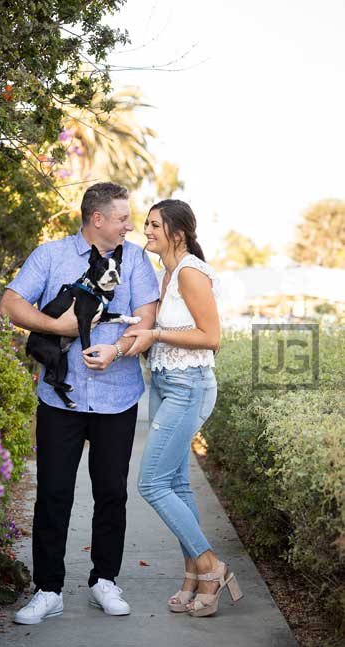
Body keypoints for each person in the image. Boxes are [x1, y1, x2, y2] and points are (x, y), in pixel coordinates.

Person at [0, 182, 159, 624]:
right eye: (123, 218)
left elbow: (147, 316)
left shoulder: (137, 261)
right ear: (97, 219)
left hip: (118, 397)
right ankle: (48, 589)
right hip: (59, 399)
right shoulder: (50, 256)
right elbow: (10, 303)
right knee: (52, 495)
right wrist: (58, 326)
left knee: (111, 493)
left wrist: (118, 349)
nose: (130, 225)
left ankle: (104, 581)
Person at [121, 199, 241, 617]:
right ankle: (192, 577)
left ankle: (211, 567)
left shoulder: (190, 272)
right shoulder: (166, 273)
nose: (146, 231)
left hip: (189, 385)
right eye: (147, 224)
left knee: (152, 483)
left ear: (178, 231)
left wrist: (156, 334)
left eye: (154, 225)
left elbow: (211, 337)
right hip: (166, 383)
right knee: (176, 483)